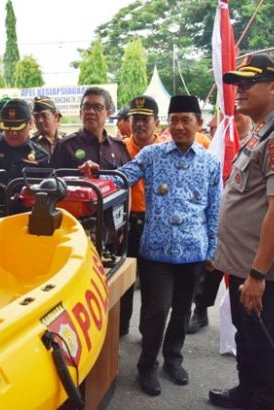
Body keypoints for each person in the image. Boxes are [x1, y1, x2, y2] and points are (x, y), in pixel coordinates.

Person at [81, 95, 220, 395]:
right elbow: (122, 178)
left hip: (192, 251)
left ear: (197, 123)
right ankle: (147, 365)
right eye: (176, 120)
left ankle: (173, 358)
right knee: (157, 309)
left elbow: (214, 209)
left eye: (187, 120)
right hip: (156, 250)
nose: (181, 126)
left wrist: (212, 251)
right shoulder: (152, 155)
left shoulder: (210, 162)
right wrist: (98, 173)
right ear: (168, 123)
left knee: (182, 310)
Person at [209, 54, 274, 410]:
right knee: (246, 336)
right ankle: (246, 392)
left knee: (263, 342)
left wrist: (258, 275)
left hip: (257, 269)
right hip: (241, 264)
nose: (241, 89)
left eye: (249, 83)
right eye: (239, 83)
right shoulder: (261, 132)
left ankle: (266, 400)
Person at [187, 111, 253, 334]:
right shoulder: (219, 145)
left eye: (239, 114)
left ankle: (241, 319)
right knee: (210, 269)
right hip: (217, 216)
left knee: (241, 274)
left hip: (243, 222)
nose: (234, 118)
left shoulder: (257, 142)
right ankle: (200, 310)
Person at [118, 95, 166, 338]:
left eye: (145, 119)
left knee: (152, 284)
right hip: (127, 225)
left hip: (155, 224)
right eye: (135, 118)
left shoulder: (166, 151)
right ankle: (121, 328)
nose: (139, 124)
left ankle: (148, 332)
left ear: (156, 121)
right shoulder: (119, 149)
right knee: (124, 281)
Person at [49, 87, 130, 170]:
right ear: (80, 113)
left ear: (108, 113)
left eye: (98, 107)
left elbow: (128, 179)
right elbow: (52, 180)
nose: (91, 111)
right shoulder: (65, 146)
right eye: (86, 107)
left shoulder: (118, 147)